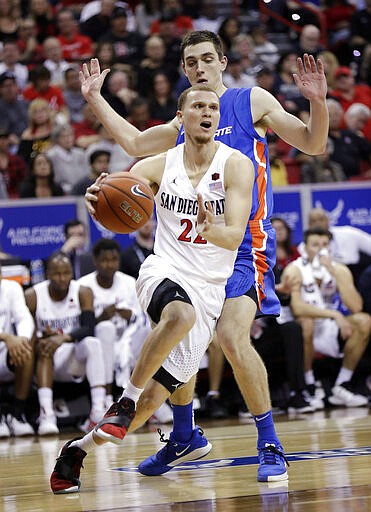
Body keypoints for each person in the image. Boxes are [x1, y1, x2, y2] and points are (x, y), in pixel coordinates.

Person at [80, 30, 328, 482]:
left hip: (242, 245)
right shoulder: (187, 118)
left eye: (206, 59)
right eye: (190, 61)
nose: (199, 67)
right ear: (185, 72)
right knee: (180, 333)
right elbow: (135, 146)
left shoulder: (250, 101)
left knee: (233, 337)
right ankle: (183, 436)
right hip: (193, 252)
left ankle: (270, 443)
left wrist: (318, 102)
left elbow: (313, 143)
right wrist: (95, 99)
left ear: (223, 61)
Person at [49, 84, 254, 493]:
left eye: (213, 106)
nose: (208, 111)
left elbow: (234, 237)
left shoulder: (236, 166)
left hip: (210, 288)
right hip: (164, 270)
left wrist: (212, 230)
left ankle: (76, 450)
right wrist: (97, 193)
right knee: (179, 314)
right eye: (198, 106)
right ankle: (124, 399)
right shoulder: (159, 164)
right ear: (182, 117)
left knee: (146, 409)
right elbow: (117, 189)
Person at [281, 228, 370, 407]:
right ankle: (309, 385)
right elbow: (298, 309)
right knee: (306, 323)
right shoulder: (294, 269)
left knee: (365, 320)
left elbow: (356, 307)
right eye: (315, 245)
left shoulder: (339, 269)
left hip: (327, 327)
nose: (321, 249)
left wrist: (333, 270)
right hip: (301, 328)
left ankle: (341, 385)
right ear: (305, 248)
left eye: (325, 244)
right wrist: (336, 314)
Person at [25, 251, 107, 435]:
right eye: (56, 273)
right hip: (46, 362)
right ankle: (47, 414)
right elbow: (26, 336)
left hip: (73, 360)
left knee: (93, 343)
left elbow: (89, 328)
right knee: (46, 347)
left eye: (66, 273)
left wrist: (62, 337)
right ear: (47, 274)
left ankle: (97, 410)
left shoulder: (82, 292)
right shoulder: (33, 295)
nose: (62, 278)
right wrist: (42, 337)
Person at [0, 263, 35, 438]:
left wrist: (21, 340)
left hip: (7, 353)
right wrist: (6, 337)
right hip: (6, 343)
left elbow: (24, 317)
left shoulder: (11, 287)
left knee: (26, 352)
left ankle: (17, 415)